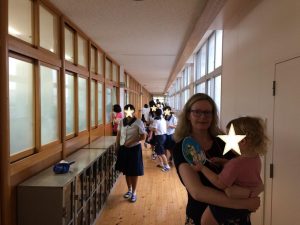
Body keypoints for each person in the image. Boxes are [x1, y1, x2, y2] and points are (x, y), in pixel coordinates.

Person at [173, 93, 260, 225]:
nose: (203, 117)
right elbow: (198, 192)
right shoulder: (183, 147)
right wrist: (245, 203)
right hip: (202, 215)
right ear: (188, 115)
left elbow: (246, 171)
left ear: (213, 116)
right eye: (197, 112)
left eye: (208, 112)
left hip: (236, 217)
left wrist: (256, 189)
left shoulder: (224, 141)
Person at [192, 116, 267, 225]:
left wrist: (202, 168)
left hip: (230, 206)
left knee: (205, 221)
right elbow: (244, 171)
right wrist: (224, 162)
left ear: (243, 141)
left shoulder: (236, 163)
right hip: (244, 206)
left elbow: (220, 182)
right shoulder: (255, 158)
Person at [115, 104, 147, 203]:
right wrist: (117, 147)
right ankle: (129, 190)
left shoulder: (138, 122)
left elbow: (143, 136)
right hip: (123, 149)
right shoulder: (121, 122)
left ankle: (134, 192)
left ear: (133, 112)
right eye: (126, 111)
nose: (127, 113)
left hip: (134, 149)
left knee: (134, 171)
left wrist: (132, 141)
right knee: (126, 171)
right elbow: (119, 135)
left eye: (129, 111)